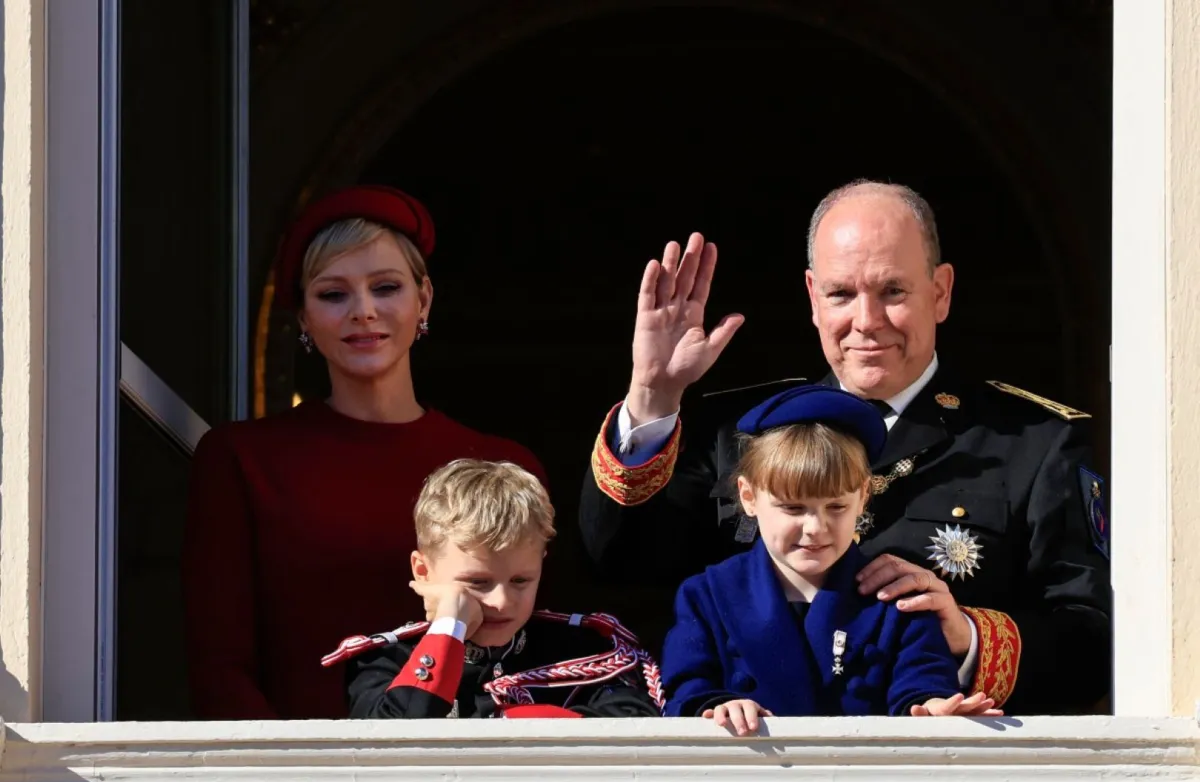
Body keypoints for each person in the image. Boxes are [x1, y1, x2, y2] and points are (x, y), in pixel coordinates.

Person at [581, 179, 1111, 715]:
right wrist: (652, 395)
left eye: (893, 291)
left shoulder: (1035, 441)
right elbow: (621, 562)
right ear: (813, 296)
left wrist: (965, 633)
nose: (866, 321)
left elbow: (1093, 644)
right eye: (841, 294)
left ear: (940, 292)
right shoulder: (738, 430)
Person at [183, 186, 545, 720]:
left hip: (467, 758)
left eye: (386, 287)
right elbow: (219, 670)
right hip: (294, 762)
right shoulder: (242, 460)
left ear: (423, 299)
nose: (364, 311)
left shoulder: (502, 465)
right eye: (334, 294)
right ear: (303, 316)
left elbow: (536, 655)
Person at [662, 385, 1002, 735]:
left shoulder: (895, 598)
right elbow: (686, 689)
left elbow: (922, 680)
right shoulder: (707, 595)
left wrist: (931, 708)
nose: (815, 528)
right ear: (749, 497)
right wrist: (717, 706)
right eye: (793, 508)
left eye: (836, 507)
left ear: (863, 496)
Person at [322, 459, 663, 719]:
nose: (502, 601)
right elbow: (396, 741)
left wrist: (507, 724)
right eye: (477, 583)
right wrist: (449, 627)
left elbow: (632, 727)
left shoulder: (585, 651)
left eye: (520, 581)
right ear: (423, 572)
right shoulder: (384, 661)